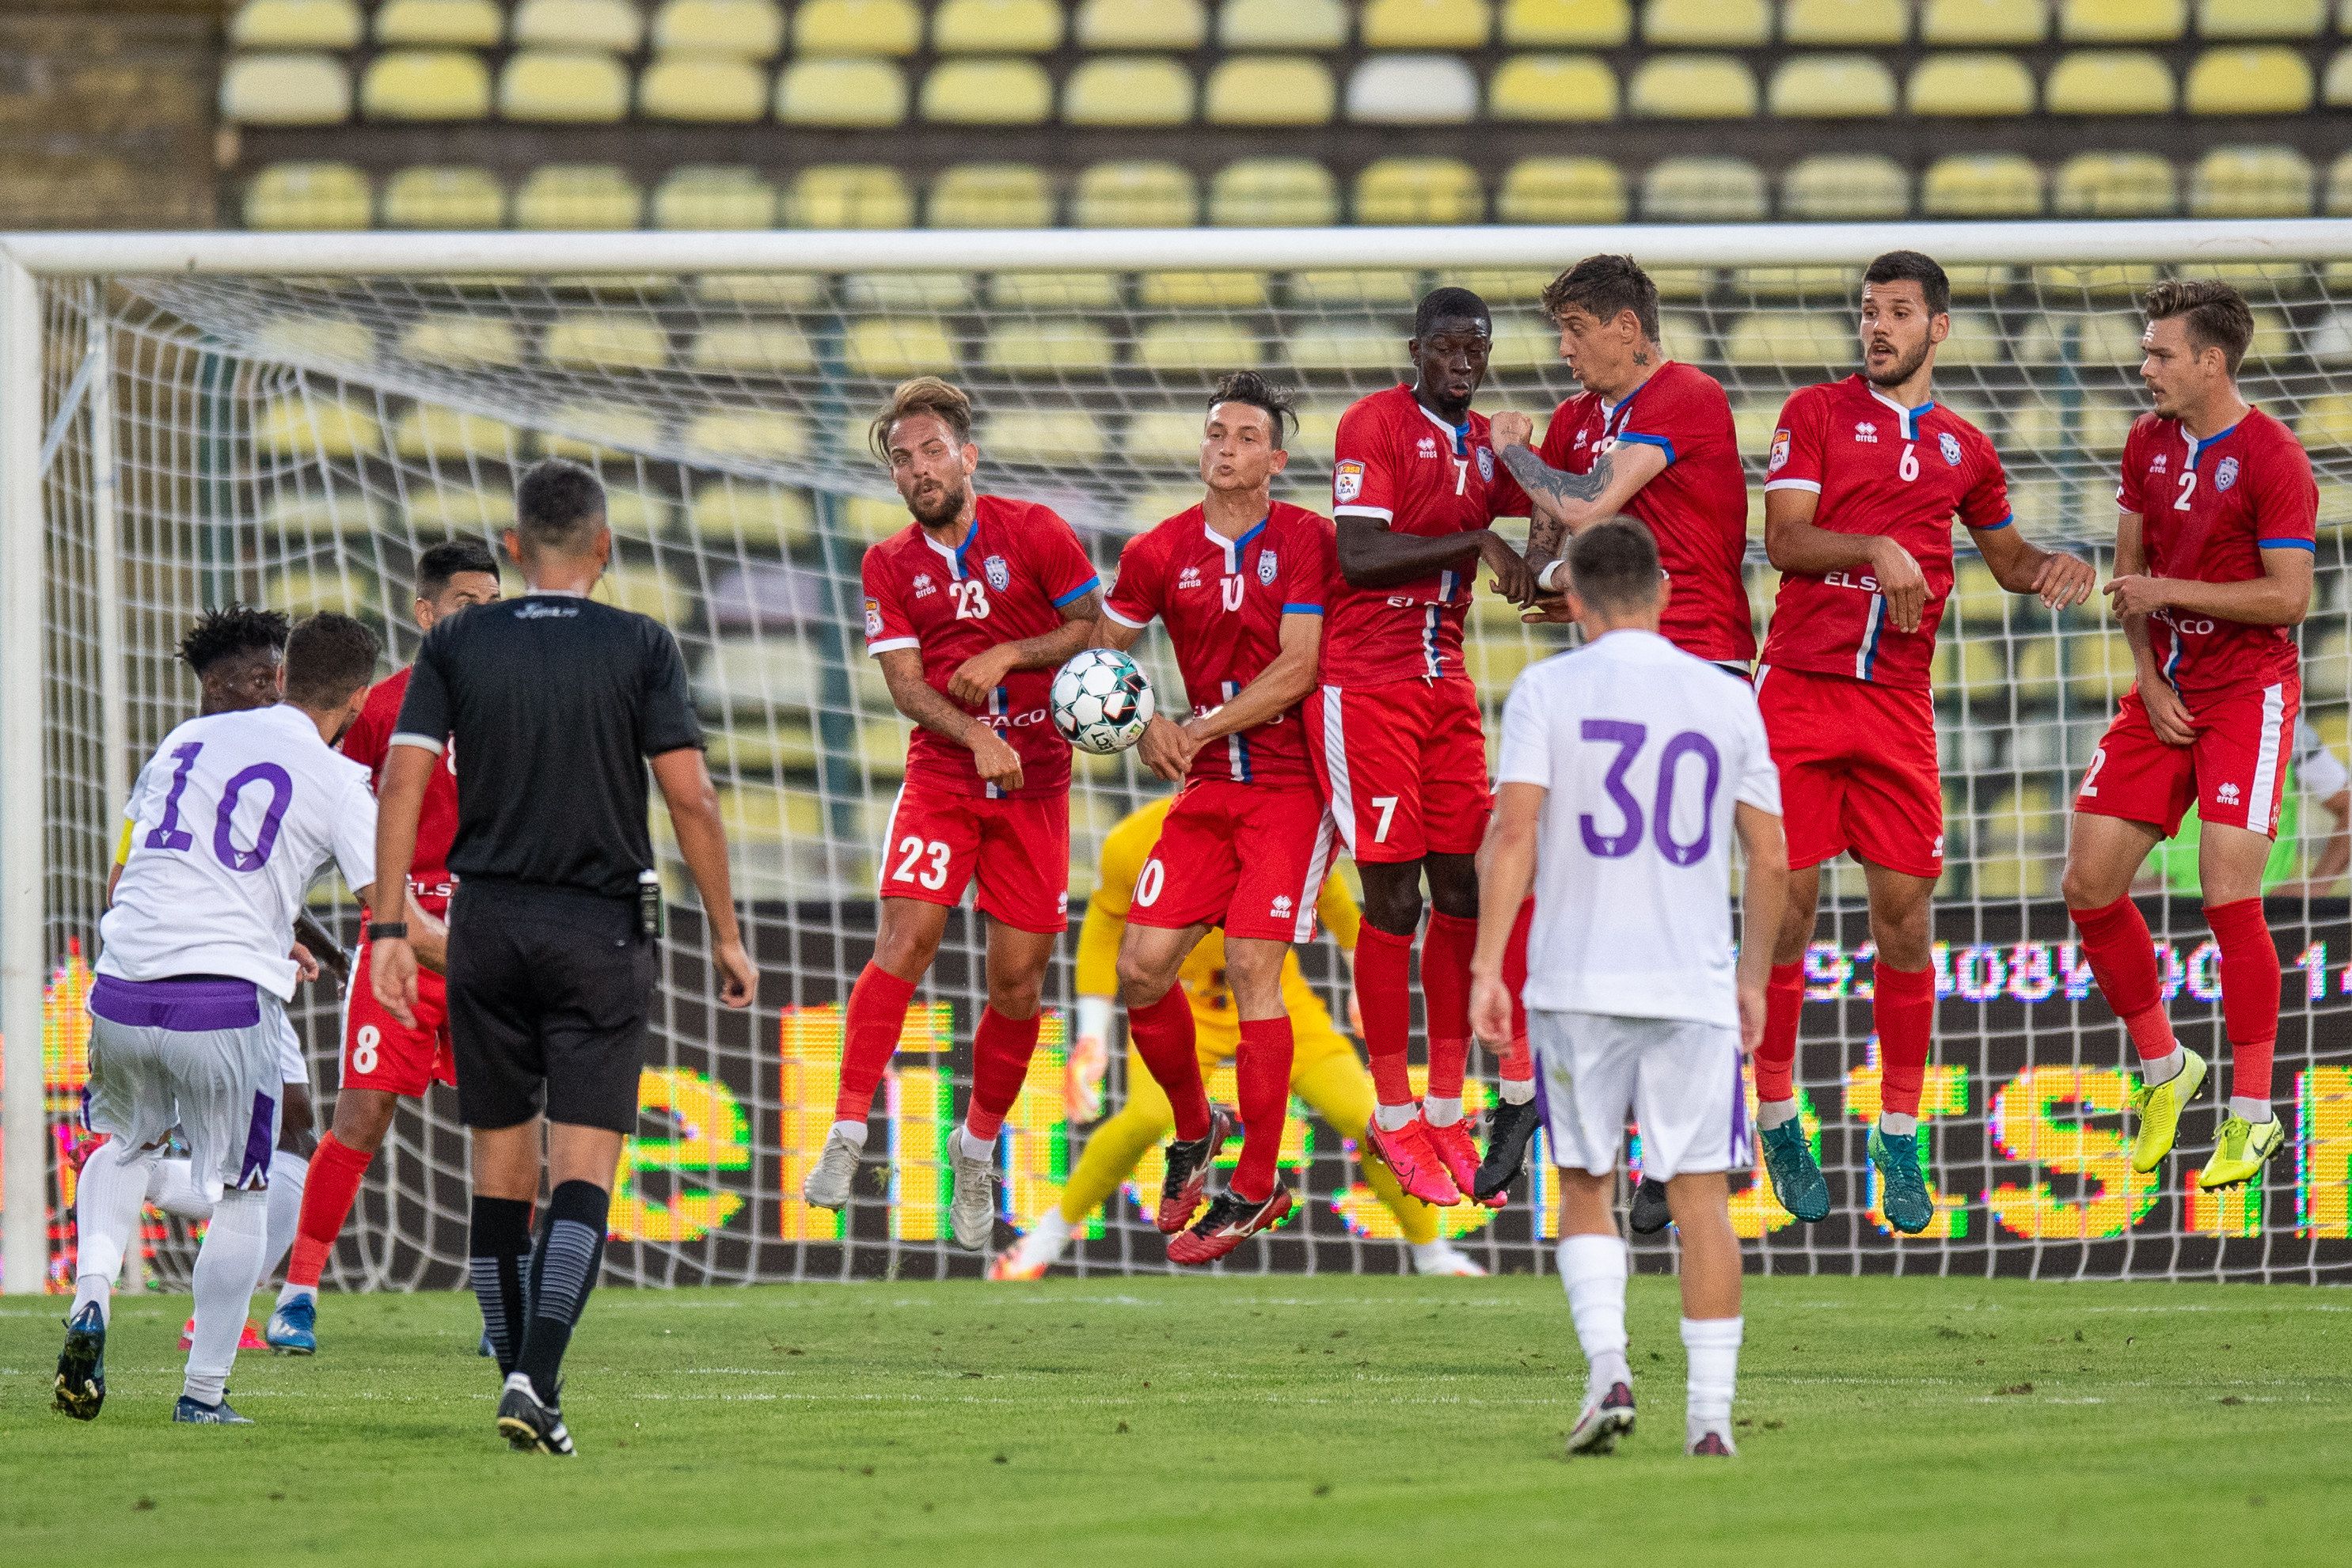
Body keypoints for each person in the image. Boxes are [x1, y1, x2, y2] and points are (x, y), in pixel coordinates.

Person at [370, 459, 756, 1454]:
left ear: (511, 547)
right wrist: (723, 929)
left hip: (484, 929)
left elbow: (402, 785)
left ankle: (514, 1371)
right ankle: (534, 1380)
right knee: (582, 1170)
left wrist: (383, 926)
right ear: (605, 548)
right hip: (597, 929)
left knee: (500, 1173)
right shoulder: (638, 642)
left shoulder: (456, 639)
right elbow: (691, 800)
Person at [1750, 250, 2096, 1235]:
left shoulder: (1966, 449)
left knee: (1902, 921)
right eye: (1868, 312)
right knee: (1790, 911)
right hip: (1802, 692)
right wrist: (1872, 546)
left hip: (1896, 703)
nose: (1878, 328)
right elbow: (1783, 540)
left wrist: (2052, 570)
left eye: (1897, 313)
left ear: (1936, 327)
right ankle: (1778, 1113)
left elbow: (2007, 556)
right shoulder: (1812, 413)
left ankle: (1898, 1137)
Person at [58, 613, 446, 1425]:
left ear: (285, 672)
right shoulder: (341, 781)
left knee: (120, 1146)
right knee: (247, 1189)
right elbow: (397, 918)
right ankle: (203, 1393)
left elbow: (154, 866)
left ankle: (90, 1298)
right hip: (225, 1001)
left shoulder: (183, 742)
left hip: (122, 982)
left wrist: (279, 933)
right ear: (358, 698)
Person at [1469, 520, 1789, 1459]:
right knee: (1700, 1199)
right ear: (1664, 595)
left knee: (1583, 1181)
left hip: (1574, 980)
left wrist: (1489, 962)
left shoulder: (1545, 689)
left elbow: (1514, 833)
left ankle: (1608, 1364)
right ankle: (1712, 1422)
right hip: (1690, 982)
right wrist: (1753, 976)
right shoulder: (1724, 696)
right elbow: (1770, 852)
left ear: (1571, 600)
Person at [1484, 252, 1757, 1225]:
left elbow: (1589, 504)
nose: (1562, 351)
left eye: (1575, 330)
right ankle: (1530, 1095)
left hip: (1700, 665)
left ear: (1629, 327)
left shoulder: (1687, 396)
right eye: (1557, 331)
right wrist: (1533, 564)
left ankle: (1676, 1143)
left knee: (1678, 906)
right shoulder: (1572, 420)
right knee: (1565, 885)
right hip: (1604, 664)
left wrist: (1504, 449)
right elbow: (1544, 557)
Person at [801, 378, 1102, 1252]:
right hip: (944, 775)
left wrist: (1010, 651)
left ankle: (975, 1148)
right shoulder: (886, 564)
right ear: (894, 477)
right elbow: (903, 686)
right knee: (907, 939)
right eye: (903, 458)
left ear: (967, 456)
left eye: (932, 450)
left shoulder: (1035, 532)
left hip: (1038, 784)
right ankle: (848, 1130)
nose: (919, 467)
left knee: (1017, 983)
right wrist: (973, 734)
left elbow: (1089, 623)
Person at [990, 795, 1484, 1279]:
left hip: (1274, 998)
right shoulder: (1130, 842)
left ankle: (1433, 1254)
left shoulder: (1276, 824)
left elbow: (1334, 904)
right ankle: (1048, 1238)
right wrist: (1092, 1034)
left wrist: (1361, 979)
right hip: (1187, 1005)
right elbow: (1103, 928)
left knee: (1365, 1118)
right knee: (1145, 1116)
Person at [2059, 279, 2318, 1191]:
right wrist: (2146, 671)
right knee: (2087, 883)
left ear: (2211, 360)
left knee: (2224, 895)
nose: (2145, 367)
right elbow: (2129, 576)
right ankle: (2167, 1066)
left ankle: (2252, 1114)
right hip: (2164, 687)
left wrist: (2172, 597)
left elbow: (2289, 599)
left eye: (2161, 353)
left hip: (2248, 693)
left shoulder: (2273, 458)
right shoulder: (2144, 440)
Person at [1078, 373, 1338, 1261]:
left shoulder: (1308, 540)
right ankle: (1198, 1127)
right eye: (1213, 432)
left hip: (1290, 786)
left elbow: (1300, 665)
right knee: (1141, 970)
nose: (1223, 446)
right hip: (1205, 793)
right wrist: (1140, 714)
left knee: (1252, 968)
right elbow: (1100, 650)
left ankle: (1257, 1187)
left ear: (1276, 458)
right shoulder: (1157, 551)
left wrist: (1195, 724)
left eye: (1243, 435)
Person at [1315, 287, 1538, 1210]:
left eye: (1474, 347)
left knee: (1462, 886)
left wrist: (1538, 483)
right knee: (1394, 895)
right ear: (1417, 349)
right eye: (1445, 346)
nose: (1461, 360)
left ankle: (1448, 1105)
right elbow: (1359, 556)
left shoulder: (1487, 440)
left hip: (1443, 679)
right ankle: (1394, 1112)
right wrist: (1481, 537)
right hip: (1365, 684)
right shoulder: (1371, 422)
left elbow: (1559, 502)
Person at [267, 540, 503, 1355]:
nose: (487, 617)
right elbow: (309, 803)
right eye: (469, 602)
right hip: (400, 934)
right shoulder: (381, 709)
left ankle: (500, 1300)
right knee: (360, 1116)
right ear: (426, 612)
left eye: (495, 602)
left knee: (504, 1124)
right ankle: (298, 1290)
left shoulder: (520, 702)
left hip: (488, 935)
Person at [92, 606, 329, 1352]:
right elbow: (125, 878)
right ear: (233, 683)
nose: (276, 689)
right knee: (276, 1153)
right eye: (266, 676)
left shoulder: (181, 755)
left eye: (281, 676)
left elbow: (132, 881)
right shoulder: (213, 754)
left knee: (278, 1134)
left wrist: (279, 934)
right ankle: (211, 1335)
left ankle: (157, 1199)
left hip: (174, 972)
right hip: (220, 983)